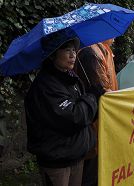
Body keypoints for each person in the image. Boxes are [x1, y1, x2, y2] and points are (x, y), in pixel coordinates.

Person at [25, 32, 101, 186]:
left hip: (76, 154)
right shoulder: (46, 86)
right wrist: (93, 98)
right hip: (57, 161)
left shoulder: (71, 78)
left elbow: (86, 115)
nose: (73, 55)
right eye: (67, 50)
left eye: (74, 50)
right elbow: (74, 116)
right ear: (53, 54)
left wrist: (94, 99)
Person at [76, 38, 118, 186]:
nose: (114, 37)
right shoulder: (90, 53)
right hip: (95, 115)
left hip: (102, 112)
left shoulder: (102, 51)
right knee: (92, 162)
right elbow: (97, 86)